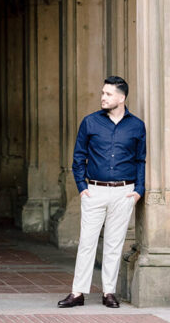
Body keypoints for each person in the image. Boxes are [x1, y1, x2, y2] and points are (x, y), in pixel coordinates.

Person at [57, 76, 145, 309]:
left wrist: (139, 190)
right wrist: (82, 187)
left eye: (108, 94)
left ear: (121, 97)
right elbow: (78, 157)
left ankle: (109, 292)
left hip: (124, 192)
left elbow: (140, 160)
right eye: (102, 93)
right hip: (94, 190)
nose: (103, 97)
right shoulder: (90, 122)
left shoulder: (136, 126)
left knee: (114, 244)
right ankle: (77, 293)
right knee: (87, 242)